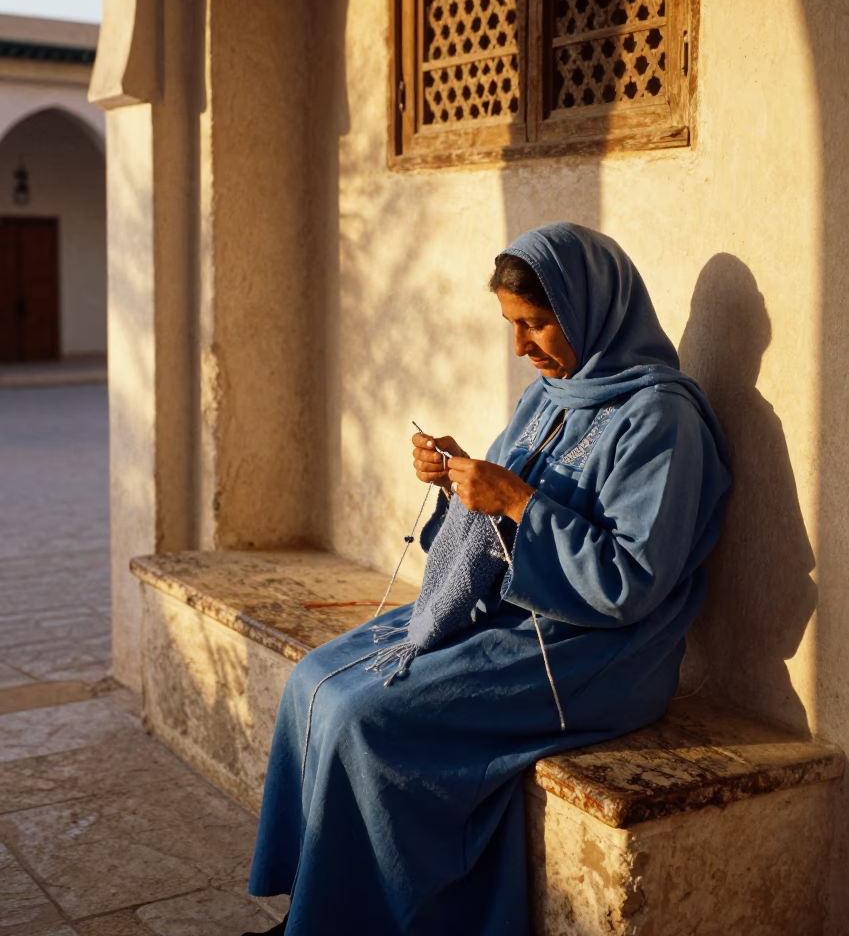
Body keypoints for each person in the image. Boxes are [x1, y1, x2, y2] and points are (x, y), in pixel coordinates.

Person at [245, 223, 730, 936]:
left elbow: (633, 580)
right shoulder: (549, 395)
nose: (520, 347)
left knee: (365, 718)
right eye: (512, 325)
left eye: (536, 324)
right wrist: (460, 481)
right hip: (509, 613)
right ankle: (311, 912)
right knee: (315, 679)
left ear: (595, 308)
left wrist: (514, 502)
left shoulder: (660, 419)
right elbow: (497, 523)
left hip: (598, 655)